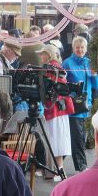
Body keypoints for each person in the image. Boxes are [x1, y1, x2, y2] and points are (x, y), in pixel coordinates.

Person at [61, 35, 98, 173]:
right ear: (73, 48)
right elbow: (62, 84)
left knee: (78, 137)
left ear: (86, 48)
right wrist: (71, 95)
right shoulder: (67, 63)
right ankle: (82, 167)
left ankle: (54, 164)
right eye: (77, 47)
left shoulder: (90, 63)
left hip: (86, 106)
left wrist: (94, 76)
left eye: (82, 47)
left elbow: (96, 85)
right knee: (77, 137)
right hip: (73, 106)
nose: (80, 49)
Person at [39, 44, 73, 181]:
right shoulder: (57, 67)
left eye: (42, 53)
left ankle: (58, 170)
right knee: (57, 139)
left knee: (54, 139)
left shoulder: (51, 69)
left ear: (48, 54)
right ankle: (58, 170)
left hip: (54, 110)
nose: (40, 56)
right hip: (59, 109)